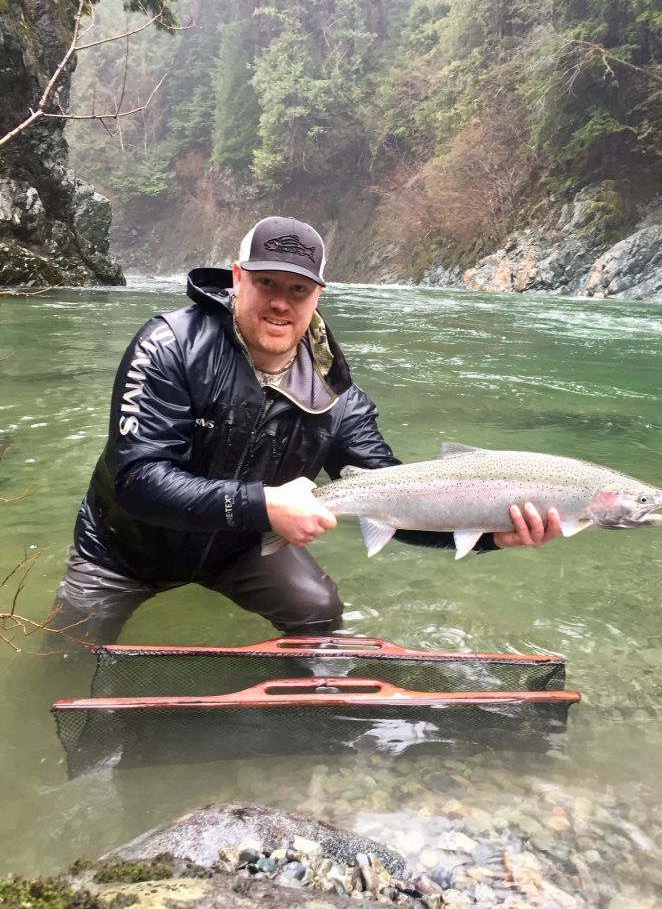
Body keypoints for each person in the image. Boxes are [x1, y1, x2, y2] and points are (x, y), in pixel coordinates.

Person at [50, 216, 562, 644]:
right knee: (64, 656)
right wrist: (264, 505)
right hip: (125, 549)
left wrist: (492, 534)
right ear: (236, 278)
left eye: (298, 289)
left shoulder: (338, 397)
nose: (280, 303)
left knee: (319, 612)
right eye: (266, 283)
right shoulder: (168, 347)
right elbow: (136, 481)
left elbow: (397, 498)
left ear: (317, 296)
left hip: (242, 546)